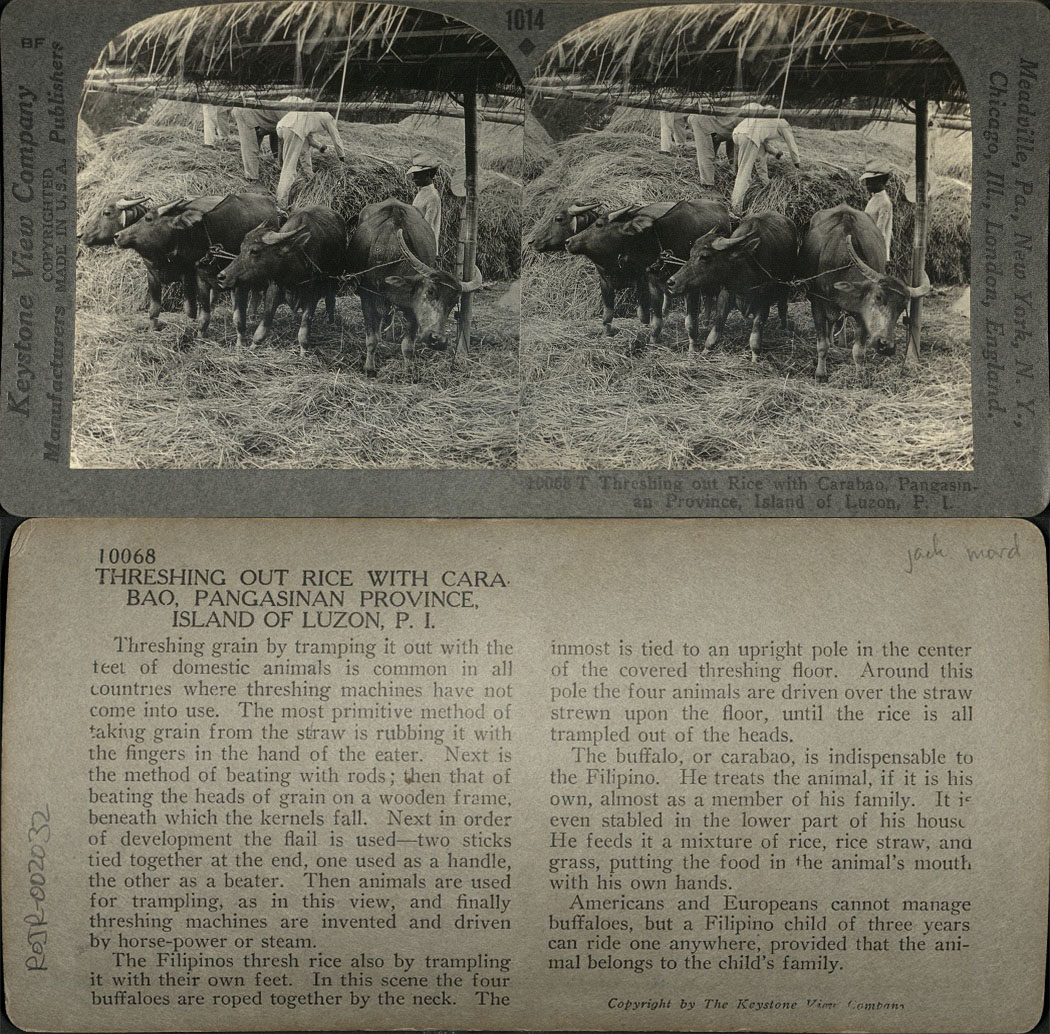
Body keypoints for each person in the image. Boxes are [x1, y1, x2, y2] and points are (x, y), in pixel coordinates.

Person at [275, 98, 346, 206]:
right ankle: (281, 203)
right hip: (294, 129)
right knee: (289, 169)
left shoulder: (313, 111)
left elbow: (308, 138)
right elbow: (336, 137)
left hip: (282, 126)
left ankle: (309, 176)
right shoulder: (328, 117)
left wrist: (319, 146)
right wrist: (342, 156)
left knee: (304, 151)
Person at [730, 114, 800, 211]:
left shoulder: (767, 117)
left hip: (738, 133)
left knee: (757, 158)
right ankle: (735, 207)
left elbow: (762, 148)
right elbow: (791, 144)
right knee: (744, 173)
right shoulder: (784, 123)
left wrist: (775, 152)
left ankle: (765, 183)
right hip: (749, 135)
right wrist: (797, 163)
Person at [686, 109, 736, 187]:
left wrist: (734, 165)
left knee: (713, 149)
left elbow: (732, 148)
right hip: (702, 121)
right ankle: (707, 185)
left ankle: (735, 174)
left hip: (717, 122)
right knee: (706, 153)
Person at [860, 160, 894, 261]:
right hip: (867, 244)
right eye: (867, 181)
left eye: (871, 181)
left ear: (880, 181)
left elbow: (879, 232)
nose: (867, 184)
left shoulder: (885, 203)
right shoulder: (874, 198)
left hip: (875, 250)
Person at [407, 152, 442, 246]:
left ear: (428, 174)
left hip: (425, 244)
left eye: (417, 175)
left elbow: (427, 226)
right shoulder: (422, 192)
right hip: (417, 239)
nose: (414, 178)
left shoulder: (433, 196)